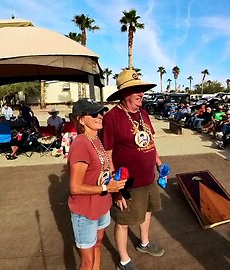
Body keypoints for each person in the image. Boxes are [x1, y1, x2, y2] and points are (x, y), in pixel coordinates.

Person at [102, 69, 165, 270]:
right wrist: (116, 189)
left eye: (141, 90)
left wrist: (160, 165)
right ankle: (123, 260)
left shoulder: (143, 114)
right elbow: (107, 155)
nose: (141, 94)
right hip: (128, 183)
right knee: (123, 221)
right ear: (123, 94)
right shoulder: (112, 118)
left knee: (147, 211)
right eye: (135, 90)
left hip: (149, 177)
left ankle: (144, 243)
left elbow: (151, 142)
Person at [68, 98, 127, 270]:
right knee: (87, 263)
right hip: (85, 212)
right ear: (80, 119)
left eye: (101, 112)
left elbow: (103, 170)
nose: (100, 116)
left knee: (98, 245)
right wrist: (106, 188)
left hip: (101, 206)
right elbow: (75, 187)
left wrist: (115, 184)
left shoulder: (97, 140)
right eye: (93, 113)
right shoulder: (80, 143)